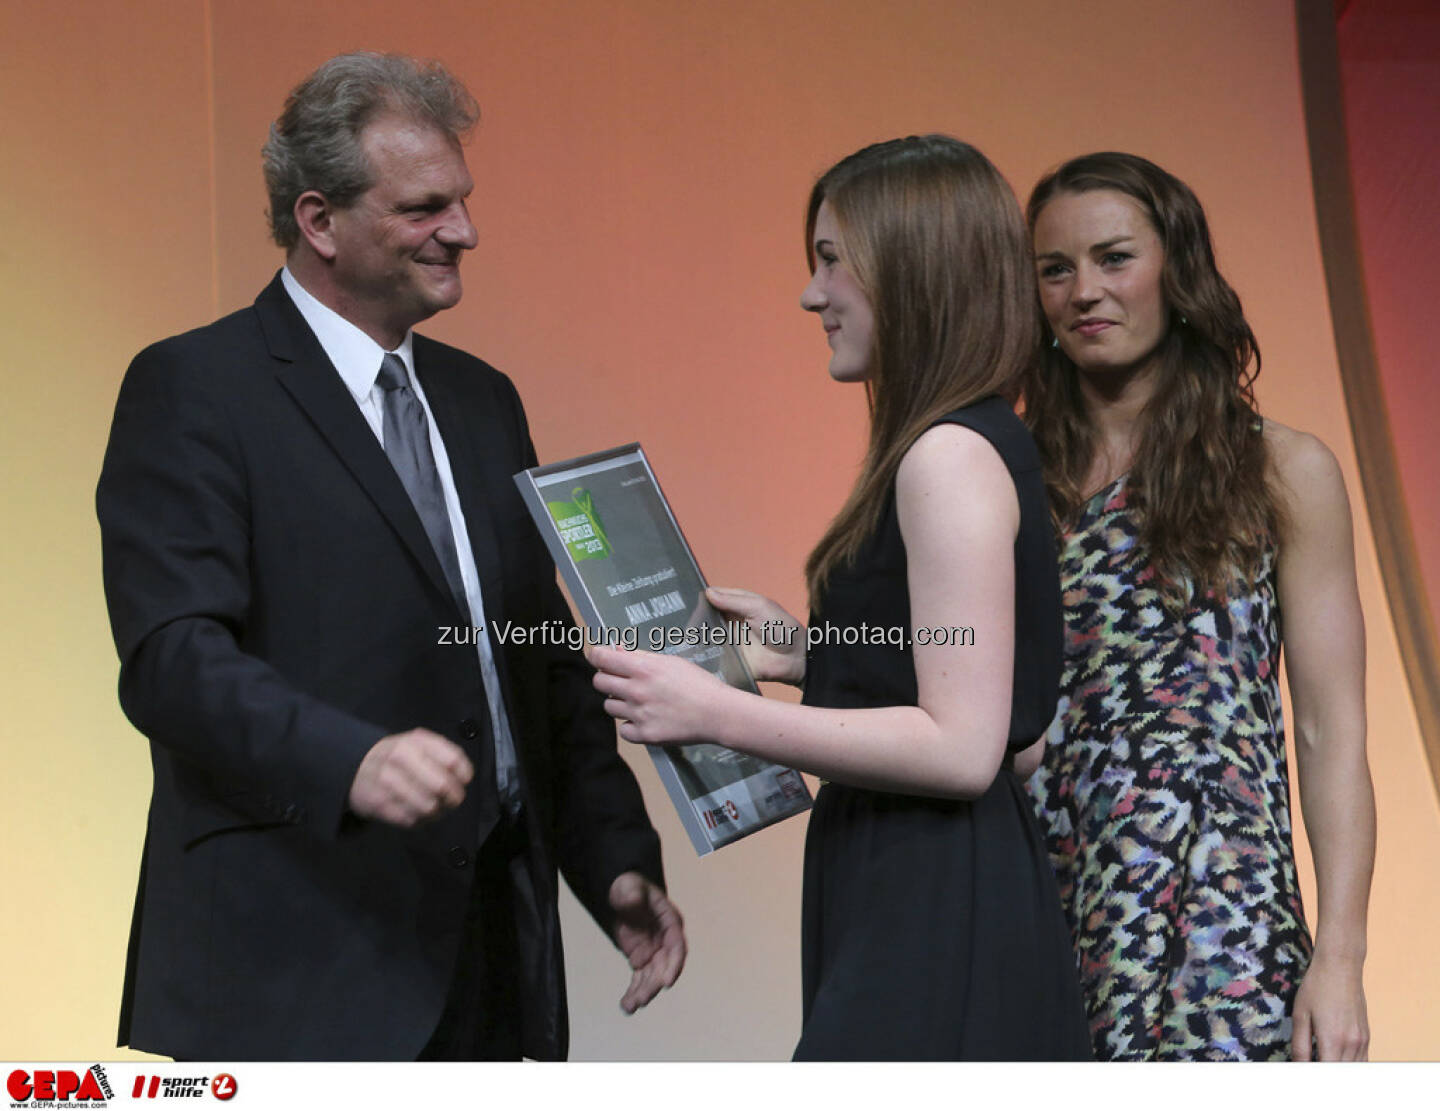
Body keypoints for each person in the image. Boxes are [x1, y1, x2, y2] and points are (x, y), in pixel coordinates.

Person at [96, 51, 684, 1061]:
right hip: (299, 960)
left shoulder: (482, 398)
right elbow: (172, 659)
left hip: (491, 956)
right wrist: (350, 758)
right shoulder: (195, 387)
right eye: (424, 207)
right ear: (319, 221)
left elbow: (536, 658)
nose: (464, 230)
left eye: (461, 200)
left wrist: (617, 862)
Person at [587, 135, 1092, 1060]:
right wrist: (805, 656)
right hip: (923, 878)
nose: (810, 294)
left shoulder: (947, 455)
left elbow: (969, 748)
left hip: (933, 894)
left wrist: (712, 710)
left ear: (910, 267)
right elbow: (985, 704)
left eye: (829, 260)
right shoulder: (966, 439)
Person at [1022, 151, 1375, 1061]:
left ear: (1178, 270)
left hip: (1227, 919)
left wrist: (1338, 958)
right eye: (1055, 269)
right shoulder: (1008, 479)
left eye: (1113, 258)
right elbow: (941, 659)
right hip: (1048, 899)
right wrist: (806, 647)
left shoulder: (1282, 469)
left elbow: (1331, 732)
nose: (1084, 291)